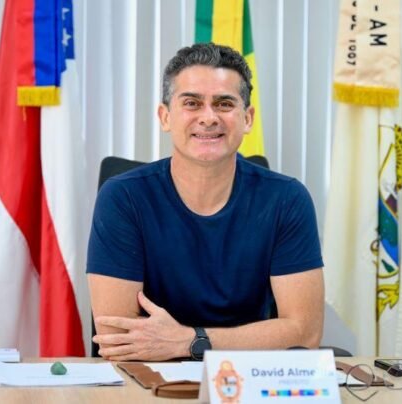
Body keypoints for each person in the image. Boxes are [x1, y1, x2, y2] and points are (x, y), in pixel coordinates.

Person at [87, 43, 324, 361]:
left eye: (224, 104)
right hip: (146, 377)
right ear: (165, 117)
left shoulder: (287, 199)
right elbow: (117, 339)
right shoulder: (122, 198)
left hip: (249, 376)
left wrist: (190, 341)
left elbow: (305, 333)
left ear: (248, 118)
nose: (209, 117)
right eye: (192, 103)